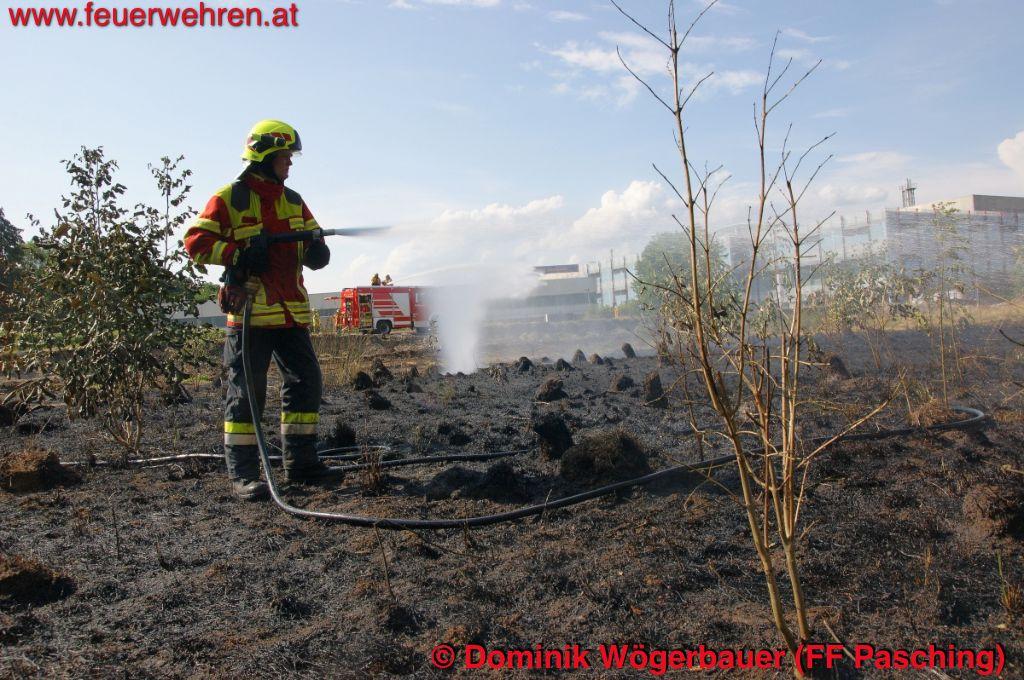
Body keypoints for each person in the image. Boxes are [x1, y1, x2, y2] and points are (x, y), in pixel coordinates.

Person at [184, 119, 344, 501]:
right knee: (246, 393)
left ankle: (302, 464)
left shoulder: (293, 200)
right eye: (285, 157)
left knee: (307, 384)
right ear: (265, 155)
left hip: (290, 316)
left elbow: (310, 241)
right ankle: (243, 475)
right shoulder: (230, 198)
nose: (290, 164)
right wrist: (237, 253)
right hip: (250, 317)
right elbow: (195, 242)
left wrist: (317, 251)